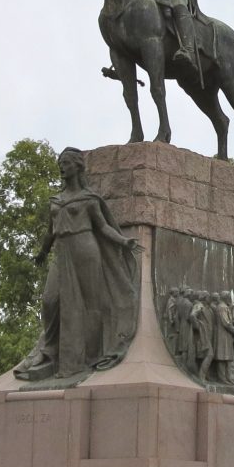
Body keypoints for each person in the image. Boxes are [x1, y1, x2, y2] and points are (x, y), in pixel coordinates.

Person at [15, 147, 140, 380]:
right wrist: (42, 252)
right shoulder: (55, 200)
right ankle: (49, 352)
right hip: (61, 252)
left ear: (78, 166)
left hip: (85, 249)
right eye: (60, 163)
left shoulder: (89, 199)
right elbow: (50, 232)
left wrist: (123, 241)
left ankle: (88, 356)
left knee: (90, 305)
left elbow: (102, 227)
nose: (62, 167)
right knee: (50, 301)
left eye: (67, 163)